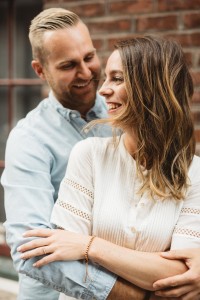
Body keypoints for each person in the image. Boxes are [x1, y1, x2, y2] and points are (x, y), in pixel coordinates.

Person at [17, 35, 200, 300]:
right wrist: (145, 291)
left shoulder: (194, 174)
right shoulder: (89, 155)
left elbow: (182, 275)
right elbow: (64, 261)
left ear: (151, 87)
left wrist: (91, 246)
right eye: (106, 78)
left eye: (117, 78)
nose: (102, 89)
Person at [1, 7, 145, 300]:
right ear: (40, 70)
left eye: (89, 57)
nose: (86, 73)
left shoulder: (126, 114)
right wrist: (131, 295)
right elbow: (29, 252)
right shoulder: (29, 140)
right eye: (68, 66)